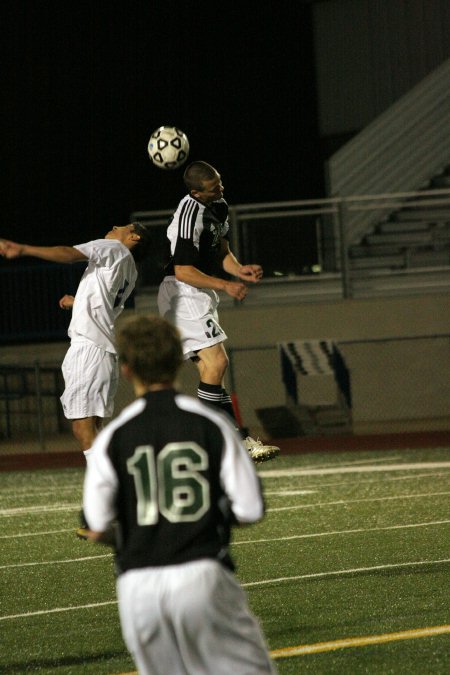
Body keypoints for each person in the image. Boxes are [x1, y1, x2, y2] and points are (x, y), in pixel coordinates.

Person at [81, 314, 278, 675]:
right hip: (201, 571)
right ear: (177, 362)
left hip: (137, 586)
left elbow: (95, 523)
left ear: (126, 369)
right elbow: (250, 508)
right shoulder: (211, 423)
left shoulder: (112, 436)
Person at [157, 160, 279, 463]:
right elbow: (184, 270)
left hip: (199, 291)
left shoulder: (219, 206)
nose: (221, 189)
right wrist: (226, 286)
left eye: (220, 182)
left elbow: (221, 250)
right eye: (214, 187)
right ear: (197, 192)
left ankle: (236, 441)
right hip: (182, 291)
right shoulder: (189, 214)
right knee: (218, 362)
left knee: (212, 372)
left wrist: (239, 271)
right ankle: (205, 439)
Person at [0, 223, 151, 460]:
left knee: (82, 427)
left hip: (90, 347)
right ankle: (118, 485)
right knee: (94, 428)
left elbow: (69, 254)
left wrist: (24, 249)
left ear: (133, 236)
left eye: (124, 226)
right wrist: (78, 302)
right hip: (102, 349)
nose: (115, 226)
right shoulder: (131, 270)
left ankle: (105, 491)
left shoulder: (114, 248)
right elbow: (106, 306)